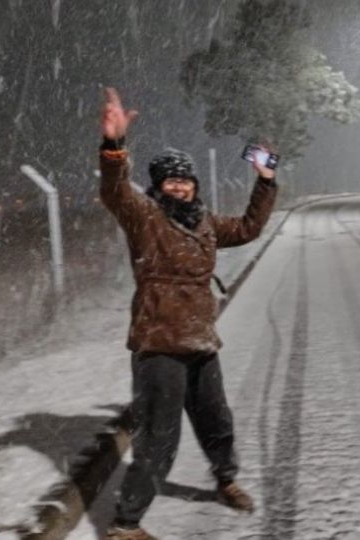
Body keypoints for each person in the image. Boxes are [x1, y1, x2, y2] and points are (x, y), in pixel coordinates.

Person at [98, 88, 278, 540]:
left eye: (186, 179)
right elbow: (115, 191)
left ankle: (226, 479)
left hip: (200, 339)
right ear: (157, 186)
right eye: (170, 180)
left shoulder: (204, 222)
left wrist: (265, 182)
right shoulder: (145, 216)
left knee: (217, 421)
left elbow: (249, 228)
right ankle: (126, 524)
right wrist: (114, 147)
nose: (180, 185)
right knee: (159, 438)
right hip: (159, 342)